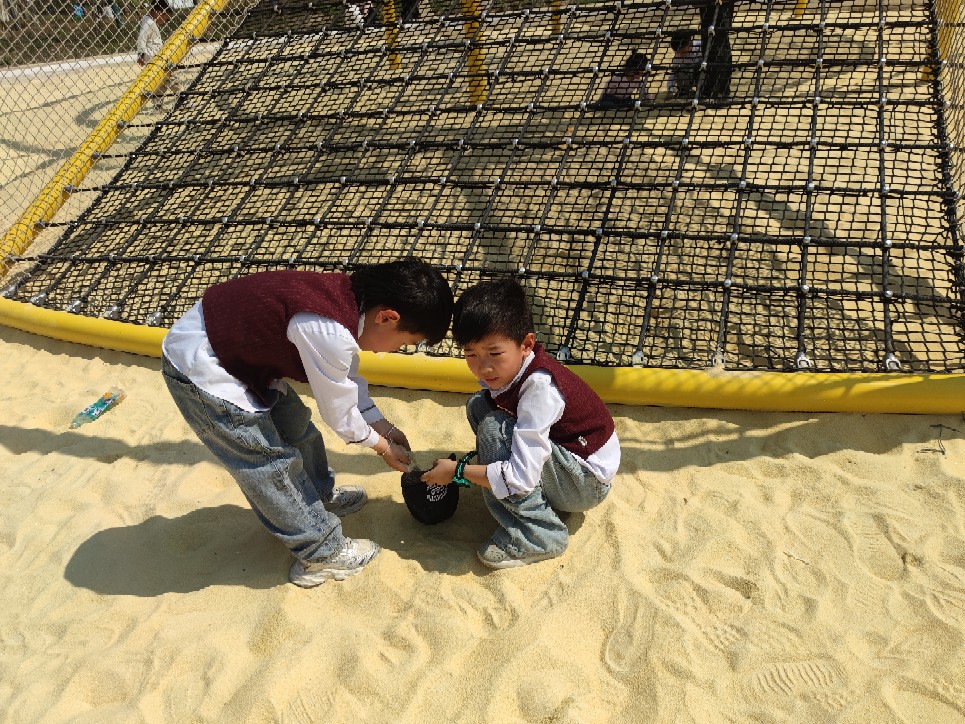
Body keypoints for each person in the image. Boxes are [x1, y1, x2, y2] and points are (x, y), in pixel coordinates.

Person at [161, 257, 454, 587]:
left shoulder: (349, 302)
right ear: (387, 317)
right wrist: (382, 446)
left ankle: (317, 497)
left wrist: (381, 424)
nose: (393, 351)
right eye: (403, 343)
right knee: (268, 465)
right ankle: (320, 553)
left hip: (238, 351)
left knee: (297, 428)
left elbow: (344, 378)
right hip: (204, 366)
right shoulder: (329, 330)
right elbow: (338, 412)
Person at [422, 278, 621, 569]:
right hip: (571, 461)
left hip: (585, 483)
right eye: (470, 354)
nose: (483, 367)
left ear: (526, 344)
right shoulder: (514, 371)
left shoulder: (540, 388)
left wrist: (458, 472)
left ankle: (540, 535)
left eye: (494, 353)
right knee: (479, 406)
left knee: (493, 428)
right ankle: (533, 497)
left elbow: (520, 478)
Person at [136, 0, 179, 110]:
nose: (165, 21)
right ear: (159, 12)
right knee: (172, 77)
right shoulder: (149, 22)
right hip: (154, 57)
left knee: (161, 81)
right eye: (166, 18)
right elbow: (141, 38)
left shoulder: (149, 21)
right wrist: (141, 54)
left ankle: (157, 104)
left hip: (155, 56)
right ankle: (181, 99)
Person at [699, 0, 734, 101]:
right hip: (709, 8)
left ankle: (720, 90)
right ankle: (712, 89)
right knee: (709, 45)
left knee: (719, 47)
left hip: (721, 9)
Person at [668, 30, 701, 98]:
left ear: (689, 44)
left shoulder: (700, 47)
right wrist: (670, 91)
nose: (680, 55)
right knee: (680, 70)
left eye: (683, 52)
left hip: (701, 75)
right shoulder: (678, 56)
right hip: (688, 76)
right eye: (678, 52)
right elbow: (673, 74)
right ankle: (684, 91)